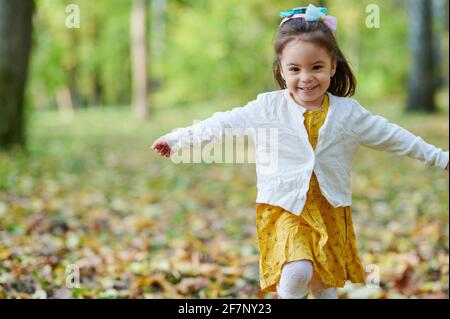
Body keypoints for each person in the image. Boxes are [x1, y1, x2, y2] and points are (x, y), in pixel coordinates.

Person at [151, 4, 449, 299]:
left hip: (329, 207)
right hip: (284, 207)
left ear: (332, 65)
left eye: (316, 67)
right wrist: (179, 139)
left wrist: (440, 157)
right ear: (281, 70)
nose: (306, 78)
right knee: (297, 273)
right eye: (294, 69)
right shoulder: (268, 108)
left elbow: (394, 136)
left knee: (324, 283)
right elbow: (222, 124)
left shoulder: (348, 114)